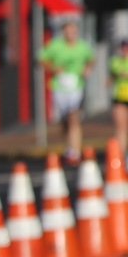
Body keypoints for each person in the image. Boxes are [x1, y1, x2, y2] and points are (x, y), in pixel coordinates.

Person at [37, 19, 94, 165]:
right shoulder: (55, 45)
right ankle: (69, 146)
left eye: (73, 30)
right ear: (64, 32)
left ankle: (75, 152)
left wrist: (87, 69)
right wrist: (53, 68)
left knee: (73, 117)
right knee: (65, 120)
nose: (71, 33)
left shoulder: (82, 46)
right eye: (68, 30)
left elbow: (91, 59)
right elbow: (41, 59)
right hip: (59, 86)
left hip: (76, 85)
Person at [109, 38, 128, 156]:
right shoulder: (115, 61)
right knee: (121, 128)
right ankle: (121, 155)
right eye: (124, 47)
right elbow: (117, 72)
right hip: (120, 97)